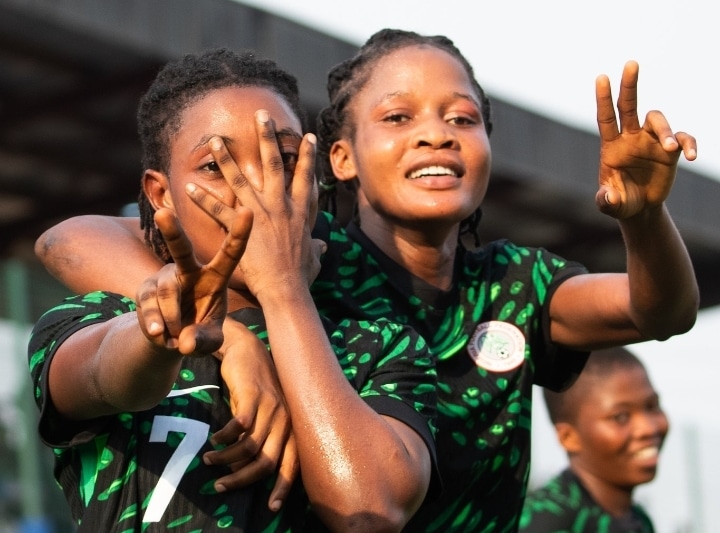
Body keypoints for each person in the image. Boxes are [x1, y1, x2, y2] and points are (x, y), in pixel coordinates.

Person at [35, 29, 699, 532]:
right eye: (398, 117)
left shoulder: (502, 288)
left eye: (462, 118)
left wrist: (643, 218)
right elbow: (72, 240)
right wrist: (230, 336)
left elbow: (661, 311)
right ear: (341, 159)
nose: (436, 136)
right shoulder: (315, 256)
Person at [28, 48, 439, 533]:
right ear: (161, 194)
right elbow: (102, 370)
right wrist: (188, 337)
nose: (257, 187)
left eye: (284, 159)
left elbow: (370, 511)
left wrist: (283, 290)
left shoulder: (382, 348)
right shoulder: (101, 314)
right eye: (214, 165)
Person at [519, 347, 667, 532]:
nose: (648, 428)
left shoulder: (638, 519)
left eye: (652, 406)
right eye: (621, 417)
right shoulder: (546, 521)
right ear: (568, 437)